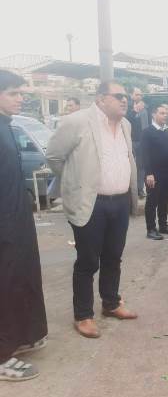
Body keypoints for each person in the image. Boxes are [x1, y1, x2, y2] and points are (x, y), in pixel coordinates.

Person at [46, 81, 138, 339]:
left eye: (126, 96)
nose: (124, 100)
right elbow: (54, 157)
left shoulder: (126, 124)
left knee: (114, 257)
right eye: (118, 95)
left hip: (119, 202)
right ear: (100, 99)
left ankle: (111, 303)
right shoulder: (77, 122)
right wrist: (75, 183)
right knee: (88, 261)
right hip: (91, 203)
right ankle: (83, 315)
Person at [0, 70, 48, 381]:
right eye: (13, 93)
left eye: (21, 93)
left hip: (15, 219)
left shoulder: (6, 126)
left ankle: (17, 337)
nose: (20, 98)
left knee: (20, 278)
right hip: (4, 224)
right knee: (5, 284)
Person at [140, 103, 168, 240]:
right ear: (153, 114)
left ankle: (163, 225)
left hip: (167, 172)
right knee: (152, 201)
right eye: (161, 113)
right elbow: (144, 154)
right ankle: (151, 229)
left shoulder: (166, 131)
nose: (165, 115)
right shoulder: (147, 132)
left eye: (166, 113)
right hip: (154, 173)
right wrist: (149, 173)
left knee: (164, 200)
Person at [127, 87, 149, 199]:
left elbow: (148, 124)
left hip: (142, 141)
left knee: (141, 166)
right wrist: (134, 111)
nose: (139, 96)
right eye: (136, 94)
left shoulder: (146, 108)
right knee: (129, 166)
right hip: (130, 141)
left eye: (140, 94)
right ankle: (130, 189)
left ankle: (140, 189)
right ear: (131, 95)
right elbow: (126, 120)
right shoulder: (127, 107)